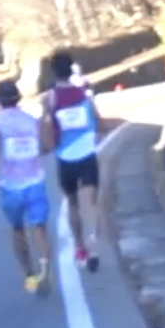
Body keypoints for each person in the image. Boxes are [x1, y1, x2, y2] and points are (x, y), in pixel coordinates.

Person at [0, 81, 55, 295]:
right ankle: (45, 268)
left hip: (10, 185)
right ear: (18, 98)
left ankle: (29, 276)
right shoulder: (31, 120)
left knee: (17, 228)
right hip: (35, 180)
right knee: (39, 227)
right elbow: (47, 147)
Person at [43, 50, 111, 273]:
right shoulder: (84, 94)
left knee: (72, 203)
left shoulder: (50, 98)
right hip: (87, 154)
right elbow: (99, 123)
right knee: (91, 203)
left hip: (65, 157)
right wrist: (97, 132)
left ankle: (80, 248)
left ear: (53, 72)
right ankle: (94, 247)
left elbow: (47, 126)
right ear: (71, 68)